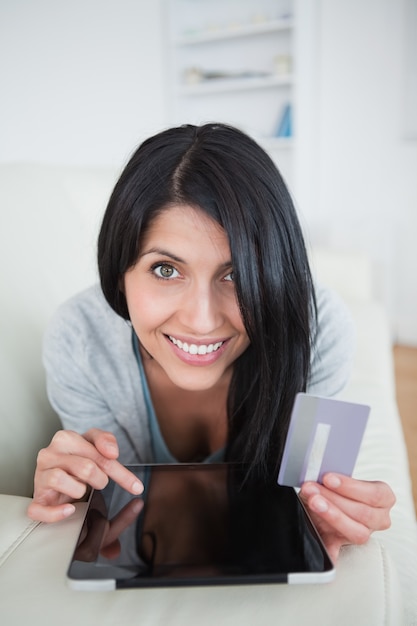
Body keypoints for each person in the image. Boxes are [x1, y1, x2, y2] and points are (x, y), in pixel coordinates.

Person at [27, 122, 395, 562]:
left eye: (236, 273)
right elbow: (120, 509)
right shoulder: (79, 337)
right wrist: (77, 493)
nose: (201, 321)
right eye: (166, 269)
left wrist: (332, 515)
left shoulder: (320, 326)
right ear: (119, 273)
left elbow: (312, 495)